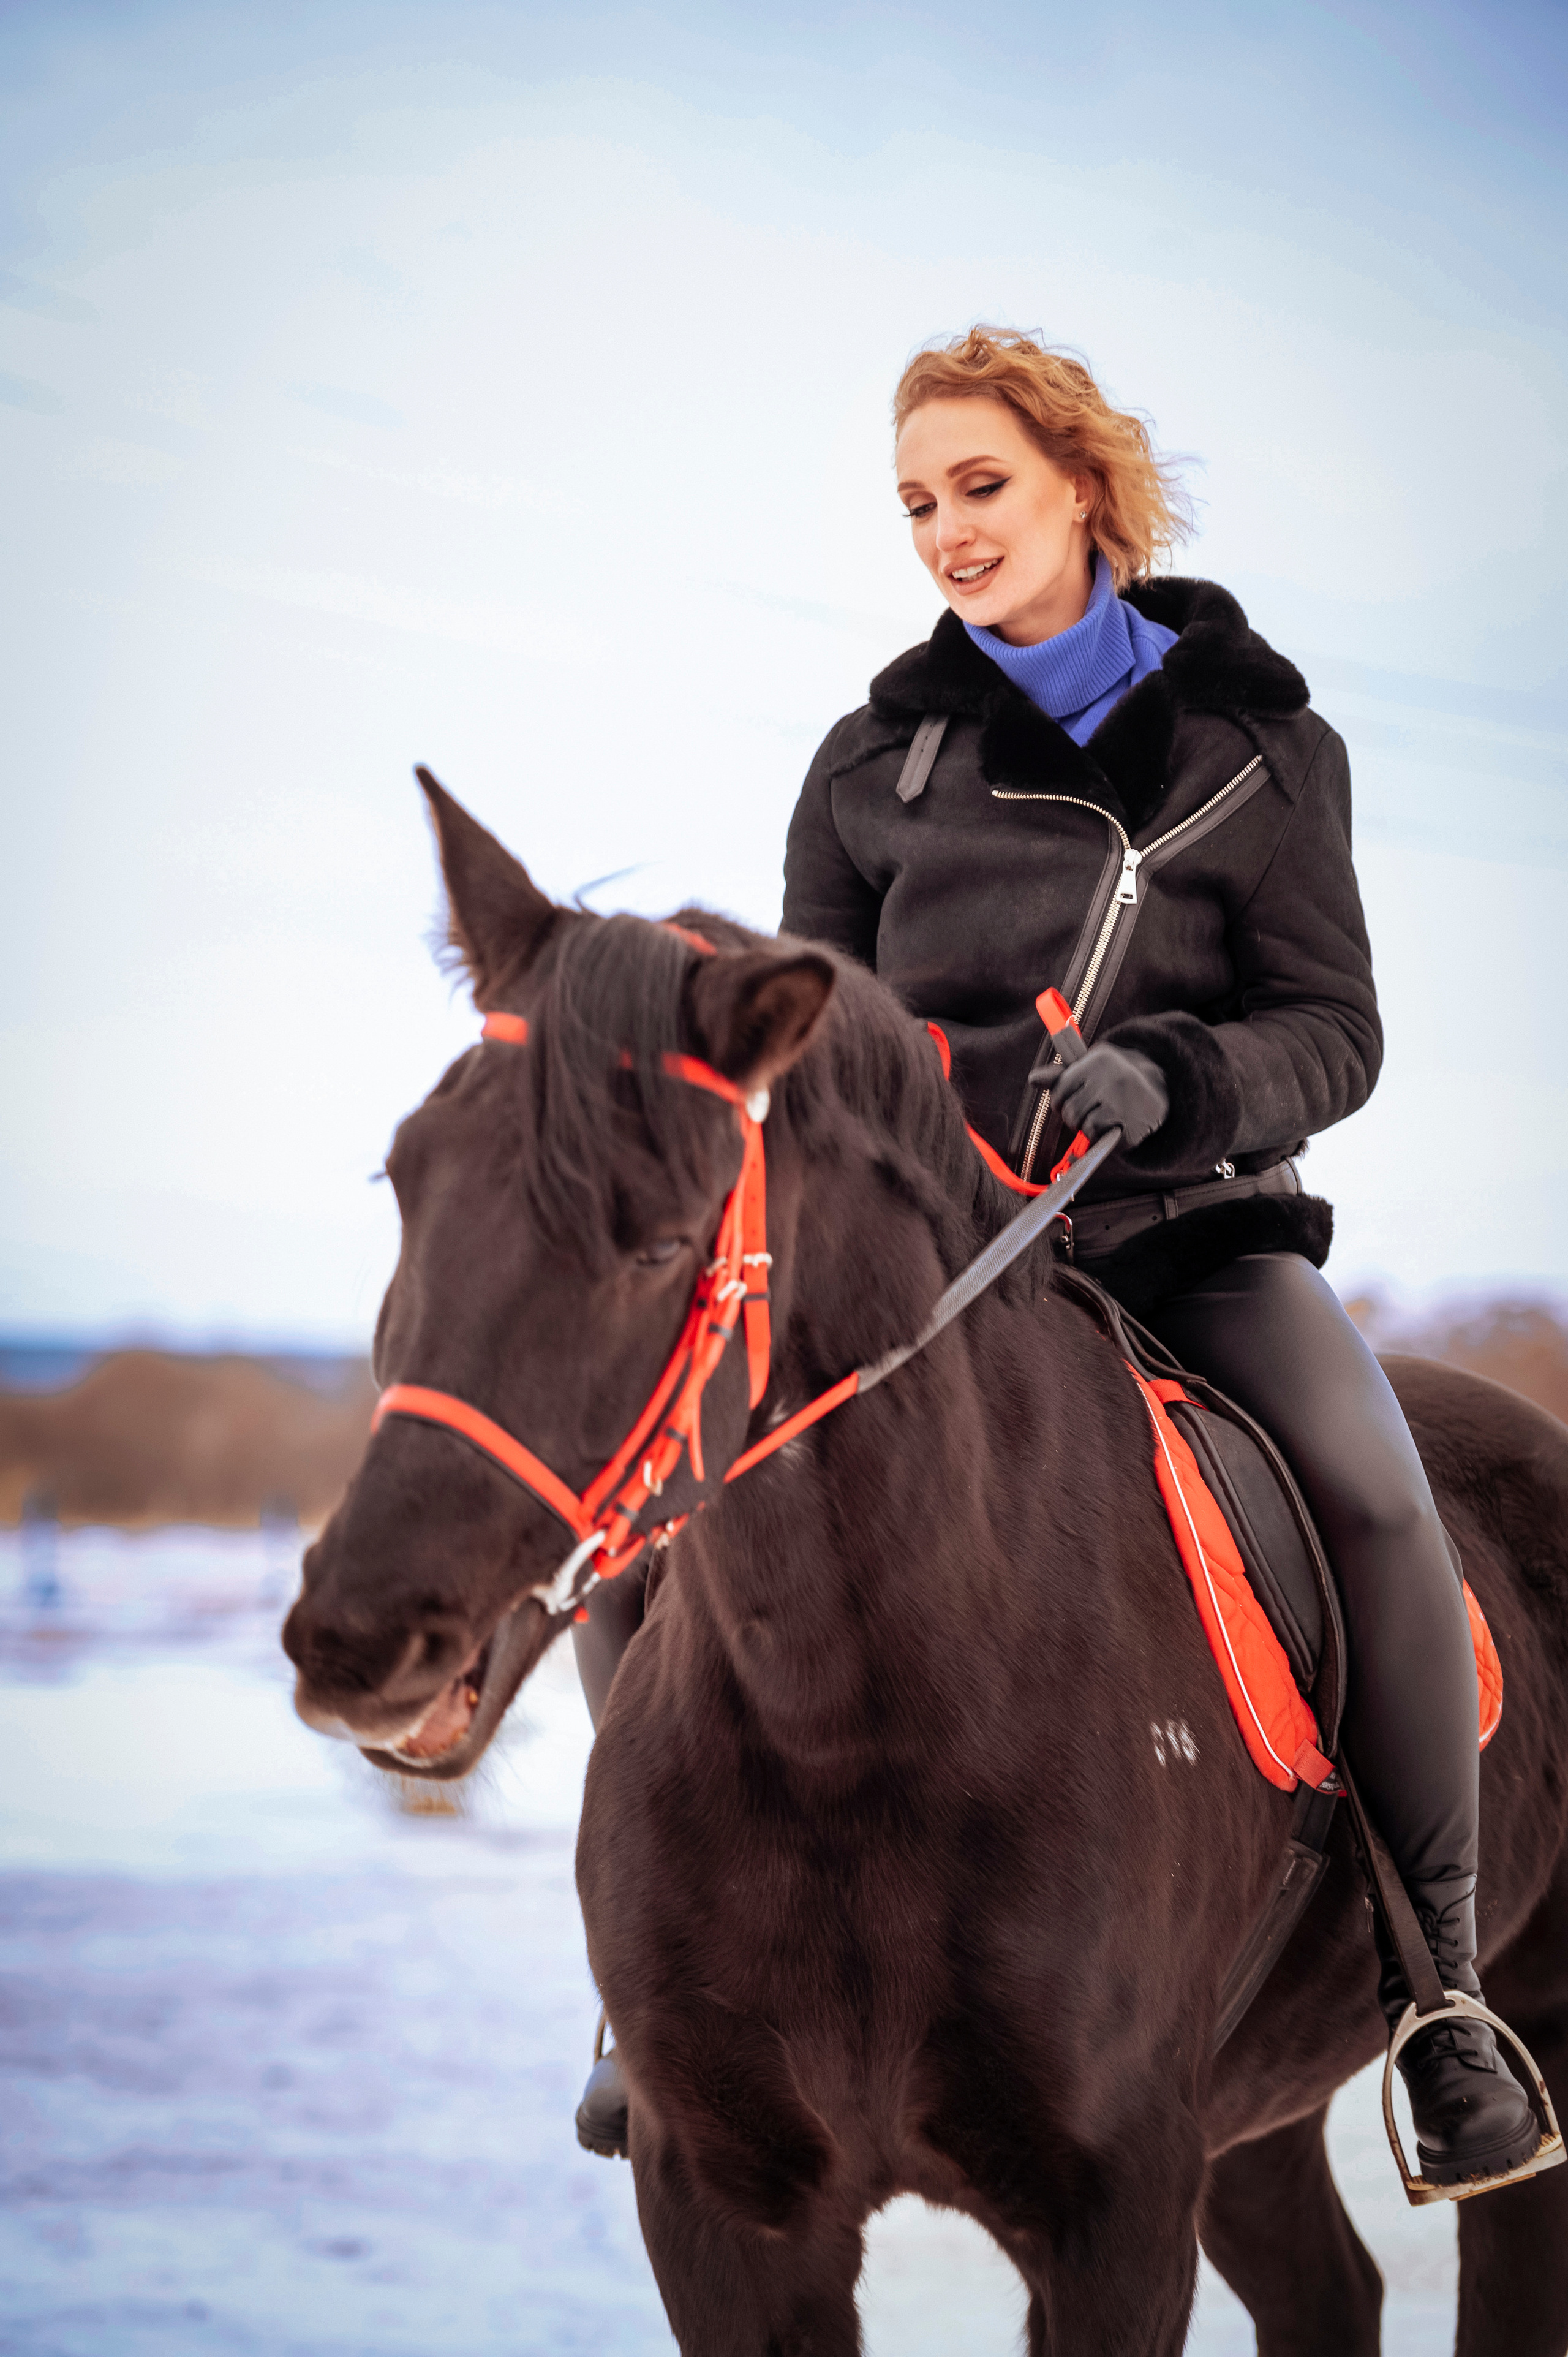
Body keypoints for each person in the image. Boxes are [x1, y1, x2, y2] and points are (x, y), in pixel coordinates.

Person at [573, 326, 1540, 2193]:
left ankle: (1441, 1999)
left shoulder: (1261, 749)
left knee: (1379, 1505)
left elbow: (1336, 1032)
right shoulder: (872, 760)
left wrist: (1177, 1075)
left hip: (1188, 1238)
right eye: (918, 502)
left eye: (979, 487)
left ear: (1083, 484)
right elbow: (809, 1032)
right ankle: (650, 1993)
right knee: (661, 1500)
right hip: (928, 1260)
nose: (945, 529)